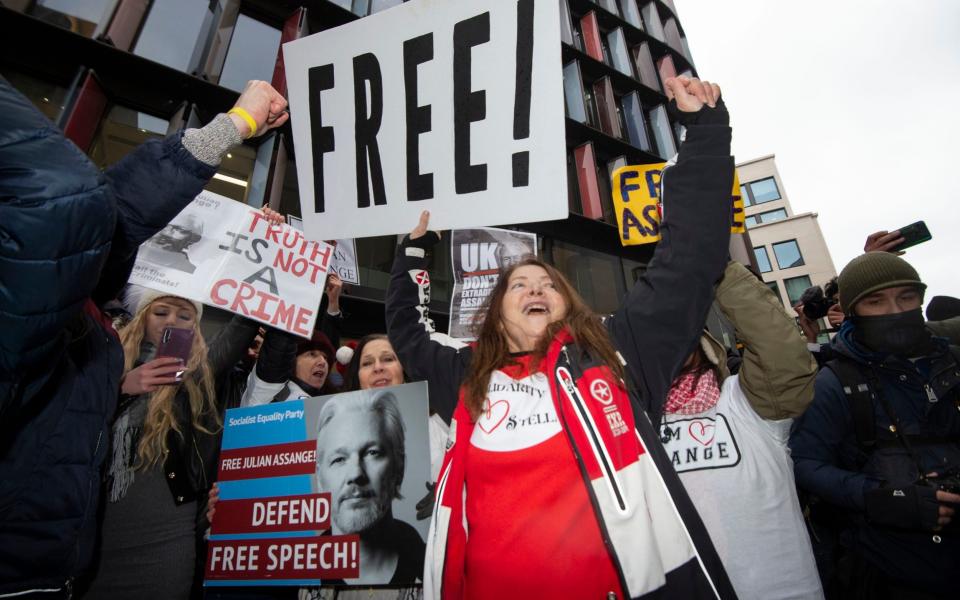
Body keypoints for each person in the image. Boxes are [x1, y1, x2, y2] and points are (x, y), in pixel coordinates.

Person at [386, 77, 737, 599]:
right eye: (520, 285)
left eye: (549, 283)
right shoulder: (464, 377)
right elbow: (407, 333)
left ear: (567, 303)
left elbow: (689, 261)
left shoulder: (617, 352)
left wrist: (704, 132)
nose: (536, 288)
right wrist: (413, 252)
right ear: (496, 315)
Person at [0, 77, 287, 598]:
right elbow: (80, 218)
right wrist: (118, 388)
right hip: (80, 554)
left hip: (134, 551)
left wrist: (265, 248)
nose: (176, 321)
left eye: (186, 313)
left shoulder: (184, 369)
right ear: (140, 318)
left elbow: (109, 222)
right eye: (166, 311)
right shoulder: (83, 351)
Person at [789, 252, 960, 599]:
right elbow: (805, 464)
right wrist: (880, 498)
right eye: (875, 301)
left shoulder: (954, 361)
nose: (895, 311)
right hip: (890, 570)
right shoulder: (835, 383)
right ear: (853, 312)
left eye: (906, 297)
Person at [659, 261, 823, 599]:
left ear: (702, 343)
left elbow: (779, 349)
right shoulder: (629, 419)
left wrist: (717, 264)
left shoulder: (747, 402)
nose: (668, 341)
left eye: (679, 331)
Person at [313, 392, 425, 586]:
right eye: (339, 459)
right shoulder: (296, 576)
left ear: (399, 467)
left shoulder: (436, 567)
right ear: (319, 478)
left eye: (373, 453)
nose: (356, 474)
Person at [138, 212, 205, 273]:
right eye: (162, 224)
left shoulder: (191, 272)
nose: (166, 233)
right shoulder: (129, 252)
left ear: (192, 240)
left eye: (180, 230)